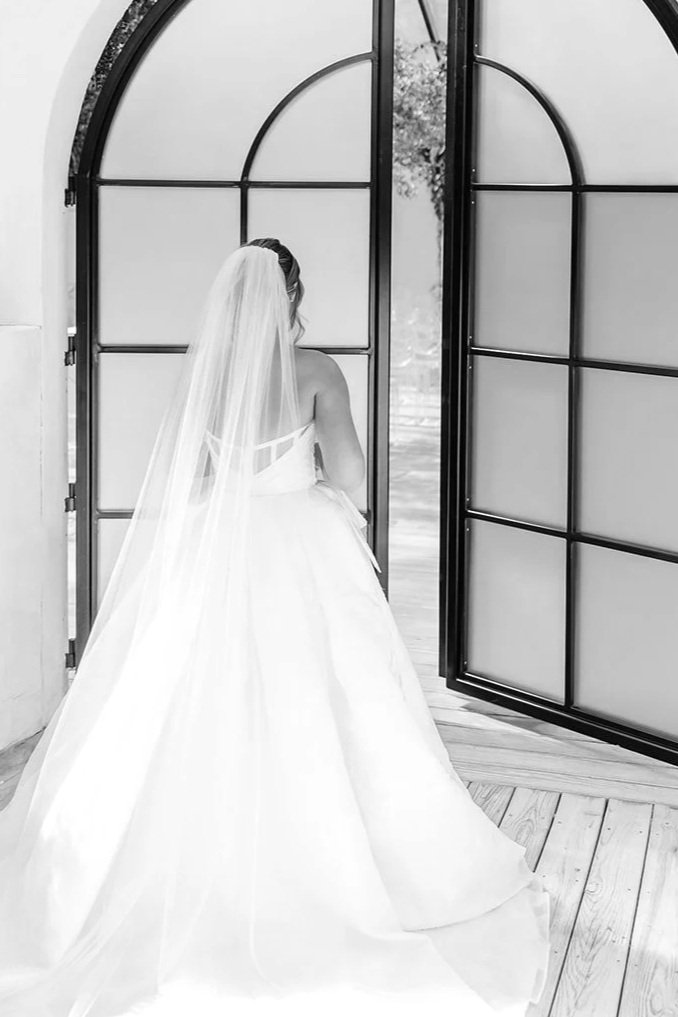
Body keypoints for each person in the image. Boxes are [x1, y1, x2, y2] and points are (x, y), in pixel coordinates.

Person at [0, 239, 550, 1017]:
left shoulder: (206, 375)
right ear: (291, 297)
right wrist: (313, 478)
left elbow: (193, 477)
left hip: (216, 554)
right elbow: (353, 475)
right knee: (331, 704)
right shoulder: (316, 371)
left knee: (194, 702)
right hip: (303, 545)